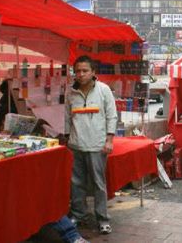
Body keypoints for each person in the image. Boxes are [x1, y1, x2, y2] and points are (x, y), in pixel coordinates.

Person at [0, 79, 88, 243]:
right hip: (14, 169)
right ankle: (70, 236)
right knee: (40, 198)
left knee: (42, 198)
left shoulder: (14, 107)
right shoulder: (5, 110)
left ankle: (71, 235)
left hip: (23, 167)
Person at [65, 55, 117, 235]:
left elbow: (112, 116)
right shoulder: (70, 92)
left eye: (85, 70)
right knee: (76, 183)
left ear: (93, 72)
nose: (81, 74)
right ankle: (78, 215)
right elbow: (67, 118)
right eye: (77, 71)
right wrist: (66, 139)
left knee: (98, 184)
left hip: (97, 145)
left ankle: (102, 218)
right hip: (76, 145)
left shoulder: (103, 90)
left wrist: (109, 140)